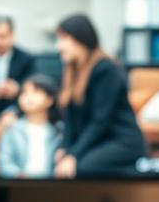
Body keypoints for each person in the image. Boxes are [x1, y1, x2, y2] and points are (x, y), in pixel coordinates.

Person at [52, 14, 146, 179]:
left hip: (121, 141)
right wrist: (65, 149)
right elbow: (70, 120)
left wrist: (73, 155)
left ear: (80, 39)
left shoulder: (106, 69)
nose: (58, 46)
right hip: (98, 141)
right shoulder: (71, 71)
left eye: (63, 39)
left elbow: (100, 121)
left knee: (80, 169)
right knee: (59, 163)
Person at [0, 74, 61, 179]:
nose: (28, 97)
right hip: (20, 186)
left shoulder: (58, 131)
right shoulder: (12, 129)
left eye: (36, 92)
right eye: (24, 92)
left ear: (49, 100)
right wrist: (19, 175)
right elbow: (4, 164)